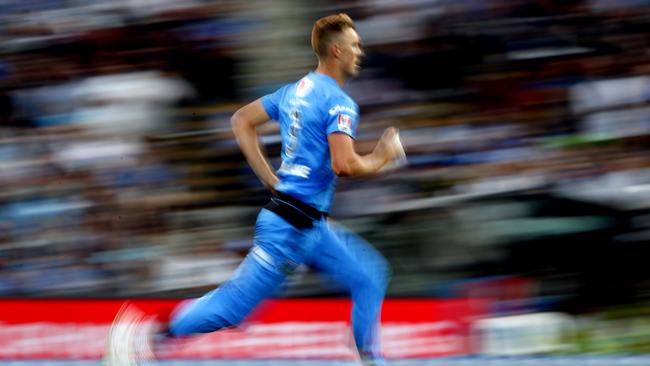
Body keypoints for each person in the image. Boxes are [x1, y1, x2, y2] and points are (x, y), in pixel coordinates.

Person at [104, 13, 405, 366]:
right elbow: (345, 164)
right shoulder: (339, 104)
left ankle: (368, 357)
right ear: (336, 50)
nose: (360, 52)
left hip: (308, 223)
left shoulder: (295, 91)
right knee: (234, 309)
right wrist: (382, 157)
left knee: (368, 275)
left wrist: (269, 177)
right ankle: (149, 334)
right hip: (290, 229)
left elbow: (241, 120)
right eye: (355, 45)